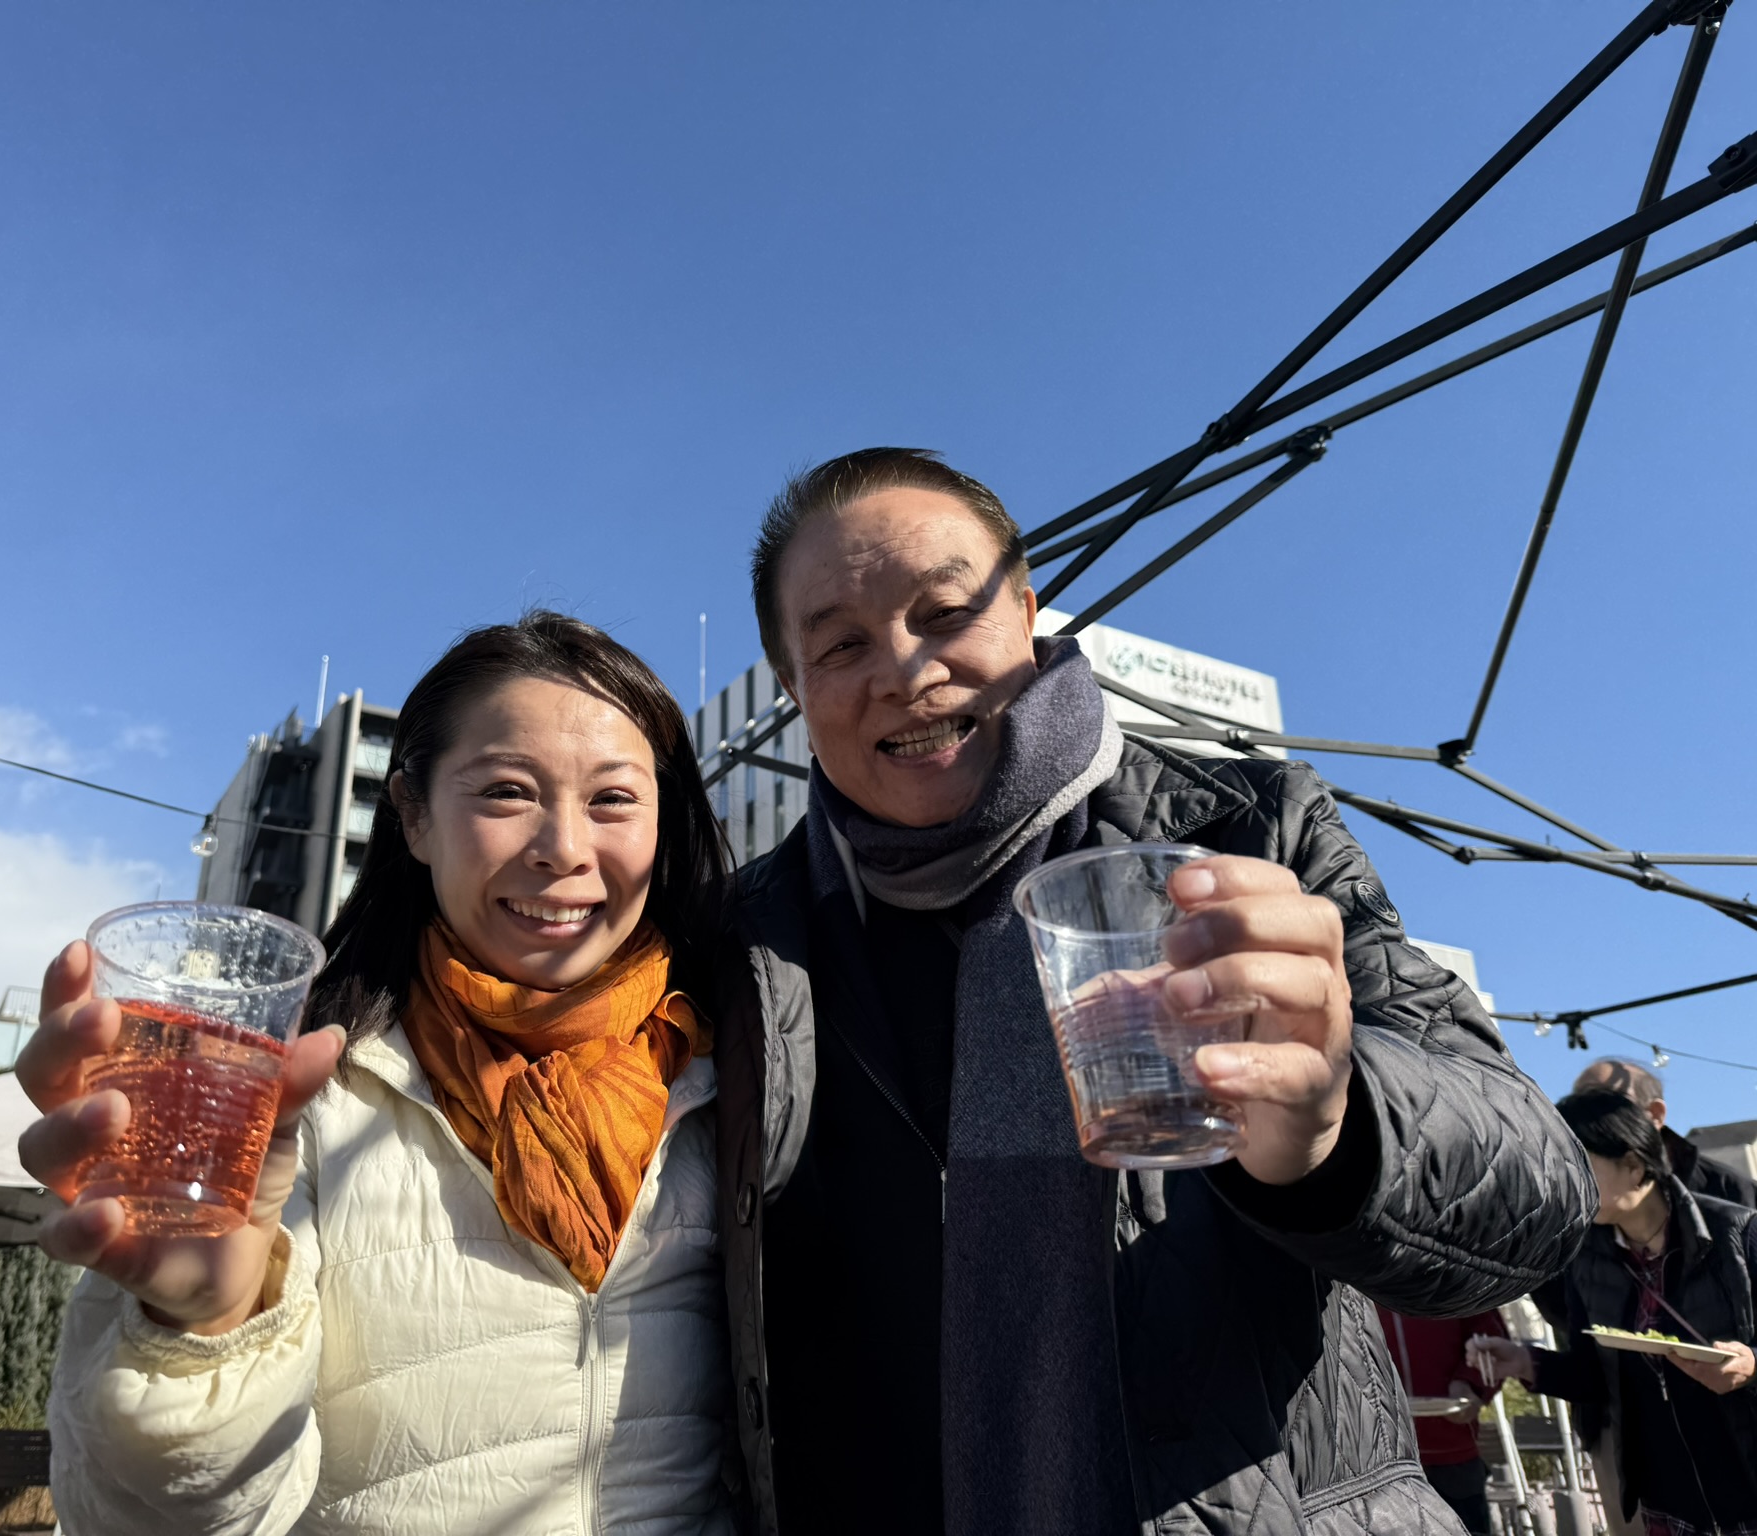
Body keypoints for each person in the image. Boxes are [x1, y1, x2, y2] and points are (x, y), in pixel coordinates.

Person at [712, 447, 1597, 1535]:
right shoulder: (740, 940)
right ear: (794, 688)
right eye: (840, 644)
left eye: (943, 611)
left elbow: (1540, 1189)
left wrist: (1334, 1131)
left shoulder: (1239, 828)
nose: (901, 669)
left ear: (1026, 611)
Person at [22, 613, 738, 1534]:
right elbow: (144, 1517)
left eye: (612, 800)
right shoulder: (296, 1103)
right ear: (412, 817)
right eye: (508, 791)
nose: (564, 847)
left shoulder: (739, 1077)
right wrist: (205, 1332)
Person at [1471, 1090, 1757, 1536]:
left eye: (1579, 1165)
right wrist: (1525, 1362)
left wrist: (1751, 1365)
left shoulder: (1737, 1235)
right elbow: (1594, 1378)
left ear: (1634, 1164)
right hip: (1668, 1501)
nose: (1566, 1183)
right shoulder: (1587, 1261)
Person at [1375, 1303, 1509, 1533]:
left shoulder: (1456, 1271)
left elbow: (1491, 1338)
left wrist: (1470, 1383)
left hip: (1453, 1455)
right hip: (1378, 1458)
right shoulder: (1345, 1274)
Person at [1576, 1056, 1757, 1208]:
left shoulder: (1731, 1191)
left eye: (1605, 1103)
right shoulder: (1579, 1196)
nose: (1587, 1115)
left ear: (1655, 1114)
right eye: (1578, 1104)